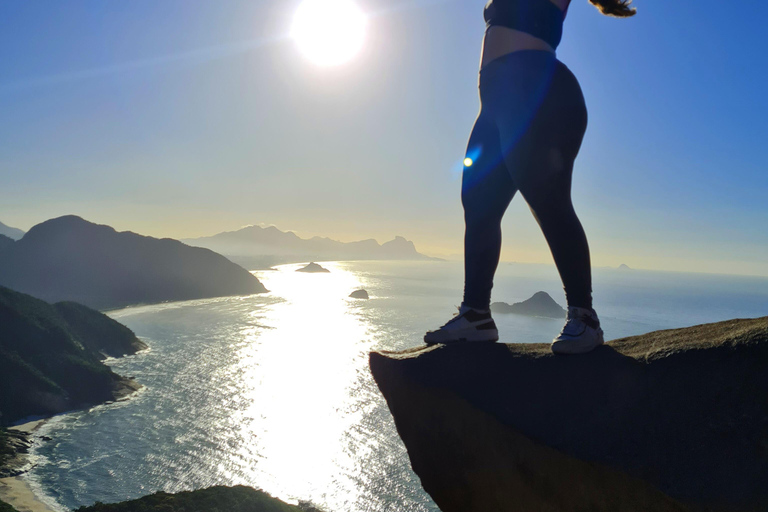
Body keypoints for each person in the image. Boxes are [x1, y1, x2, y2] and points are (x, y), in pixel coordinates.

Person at [424, 0, 636, 353]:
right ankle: (475, 314)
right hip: (495, 102)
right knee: (478, 205)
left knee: (547, 199)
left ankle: (585, 318)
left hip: (536, 88)